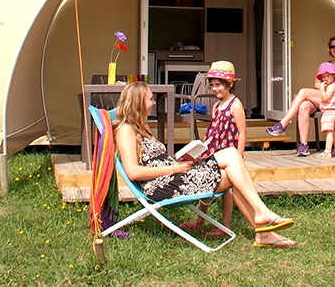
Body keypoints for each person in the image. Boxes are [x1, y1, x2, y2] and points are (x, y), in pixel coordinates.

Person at [114, 81, 296, 247]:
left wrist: (180, 160)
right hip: (164, 186)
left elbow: (153, 160)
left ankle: (262, 223)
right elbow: (133, 172)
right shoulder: (125, 130)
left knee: (232, 156)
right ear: (137, 103)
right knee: (234, 169)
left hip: (174, 176)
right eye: (150, 99)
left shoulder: (141, 127)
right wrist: (175, 168)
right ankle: (263, 220)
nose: (154, 103)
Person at [179, 61, 247, 237]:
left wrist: (239, 157)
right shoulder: (217, 106)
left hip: (229, 152)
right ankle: (199, 221)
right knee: (208, 183)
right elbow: (213, 130)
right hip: (214, 150)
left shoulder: (235, 105)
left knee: (226, 190)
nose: (215, 89)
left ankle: (225, 225)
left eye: (219, 85)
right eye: (212, 85)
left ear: (230, 84)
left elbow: (242, 132)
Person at [266, 36, 335, 156]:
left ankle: (283, 123)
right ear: (329, 50)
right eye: (332, 46)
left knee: (303, 92)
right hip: (323, 98)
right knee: (303, 106)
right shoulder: (325, 66)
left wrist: (334, 91)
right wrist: (325, 88)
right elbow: (316, 83)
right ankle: (303, 146)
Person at [315, 62, 335, 158]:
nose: (325, 79)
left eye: (328, 76)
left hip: (329, 112)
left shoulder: (332, 86)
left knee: (329, 132)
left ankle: (327, 151)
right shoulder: (334, 85)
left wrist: (321, 88)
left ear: (334, 76)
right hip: (334, 112)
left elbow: (325, 98)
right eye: (323, 77)